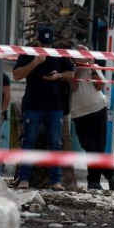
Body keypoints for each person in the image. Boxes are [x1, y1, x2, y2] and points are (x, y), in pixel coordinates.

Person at [13, 26, 75, 191]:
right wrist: (35, 62)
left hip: (54, 106)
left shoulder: (59, 53)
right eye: (43, 44)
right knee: (28, 141)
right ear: (37, 40)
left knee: (55, 143)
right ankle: (24, 179)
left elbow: (71, 74)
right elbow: (16, 75)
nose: (46, 47)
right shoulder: (28, 52)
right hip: (33, 105)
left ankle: (56, 181)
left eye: (48, 44)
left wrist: (59, 76)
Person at [71, 45, 114, 190]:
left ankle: (94, 182)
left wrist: (91, 68)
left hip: (98, 109)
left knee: (98, 147)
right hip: (80, 114)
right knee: (89, 146)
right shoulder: (71, 69)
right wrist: (79, 68)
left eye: (85, 55)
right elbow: (74, 87)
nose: (83, 58)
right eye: (80, 55)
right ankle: (109, 171)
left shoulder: (95, 67)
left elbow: (99, 86)